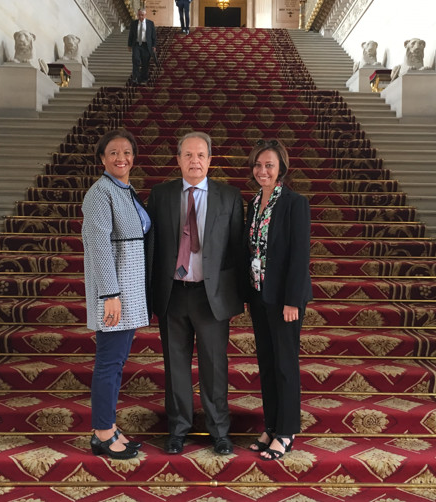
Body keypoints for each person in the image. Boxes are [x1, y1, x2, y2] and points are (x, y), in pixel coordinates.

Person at [147, 132, 244, 456]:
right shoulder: (161, 195)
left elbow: (237, 250)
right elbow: (153, 249)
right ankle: (178, 430)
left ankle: (219, 430)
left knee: (215, 367)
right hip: (173, 293)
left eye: (201, 155)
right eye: (188, 155)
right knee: (175, 366)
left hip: (210, 296)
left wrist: (234, 296)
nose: (195, 161)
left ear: (210, 160)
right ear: (178, 160)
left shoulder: (229, 197)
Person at [82, 129, 151, 460]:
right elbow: (98, 245)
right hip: (115, 293)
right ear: (102, 159)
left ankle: (106, 424)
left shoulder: (124, 190)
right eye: (113, 153)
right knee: (109, 362)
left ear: (133, 157)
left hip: (129, 291)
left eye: (126, 152)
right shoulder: (99, 193)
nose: (120, 157)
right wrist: (110, 294)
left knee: (117, 360)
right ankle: (102, 433)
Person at [244, 139, 312, 461]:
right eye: (258, 165)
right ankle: (271, 425)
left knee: (286, 366)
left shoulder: (294, 203)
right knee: (267, 365)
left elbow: (299, 256)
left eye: (269, 165)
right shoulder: (254, 202)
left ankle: (286, 432)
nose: (263, 170)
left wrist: (292, 301)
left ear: (281, 167)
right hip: (260, 295)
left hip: (285, 300)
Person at [127, 8, 157, 85]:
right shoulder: (134, 23)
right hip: (137, 44)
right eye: (139, 15)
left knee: (145, 62)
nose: (140, 17)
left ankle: (144, 78)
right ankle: (135, 78)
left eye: (142, 15)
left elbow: (153, 36)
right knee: (136, 60)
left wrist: (154, 45)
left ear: (145, 15)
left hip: (146, 45)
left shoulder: (150, 23)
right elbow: (131, 35)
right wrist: (129, 45)